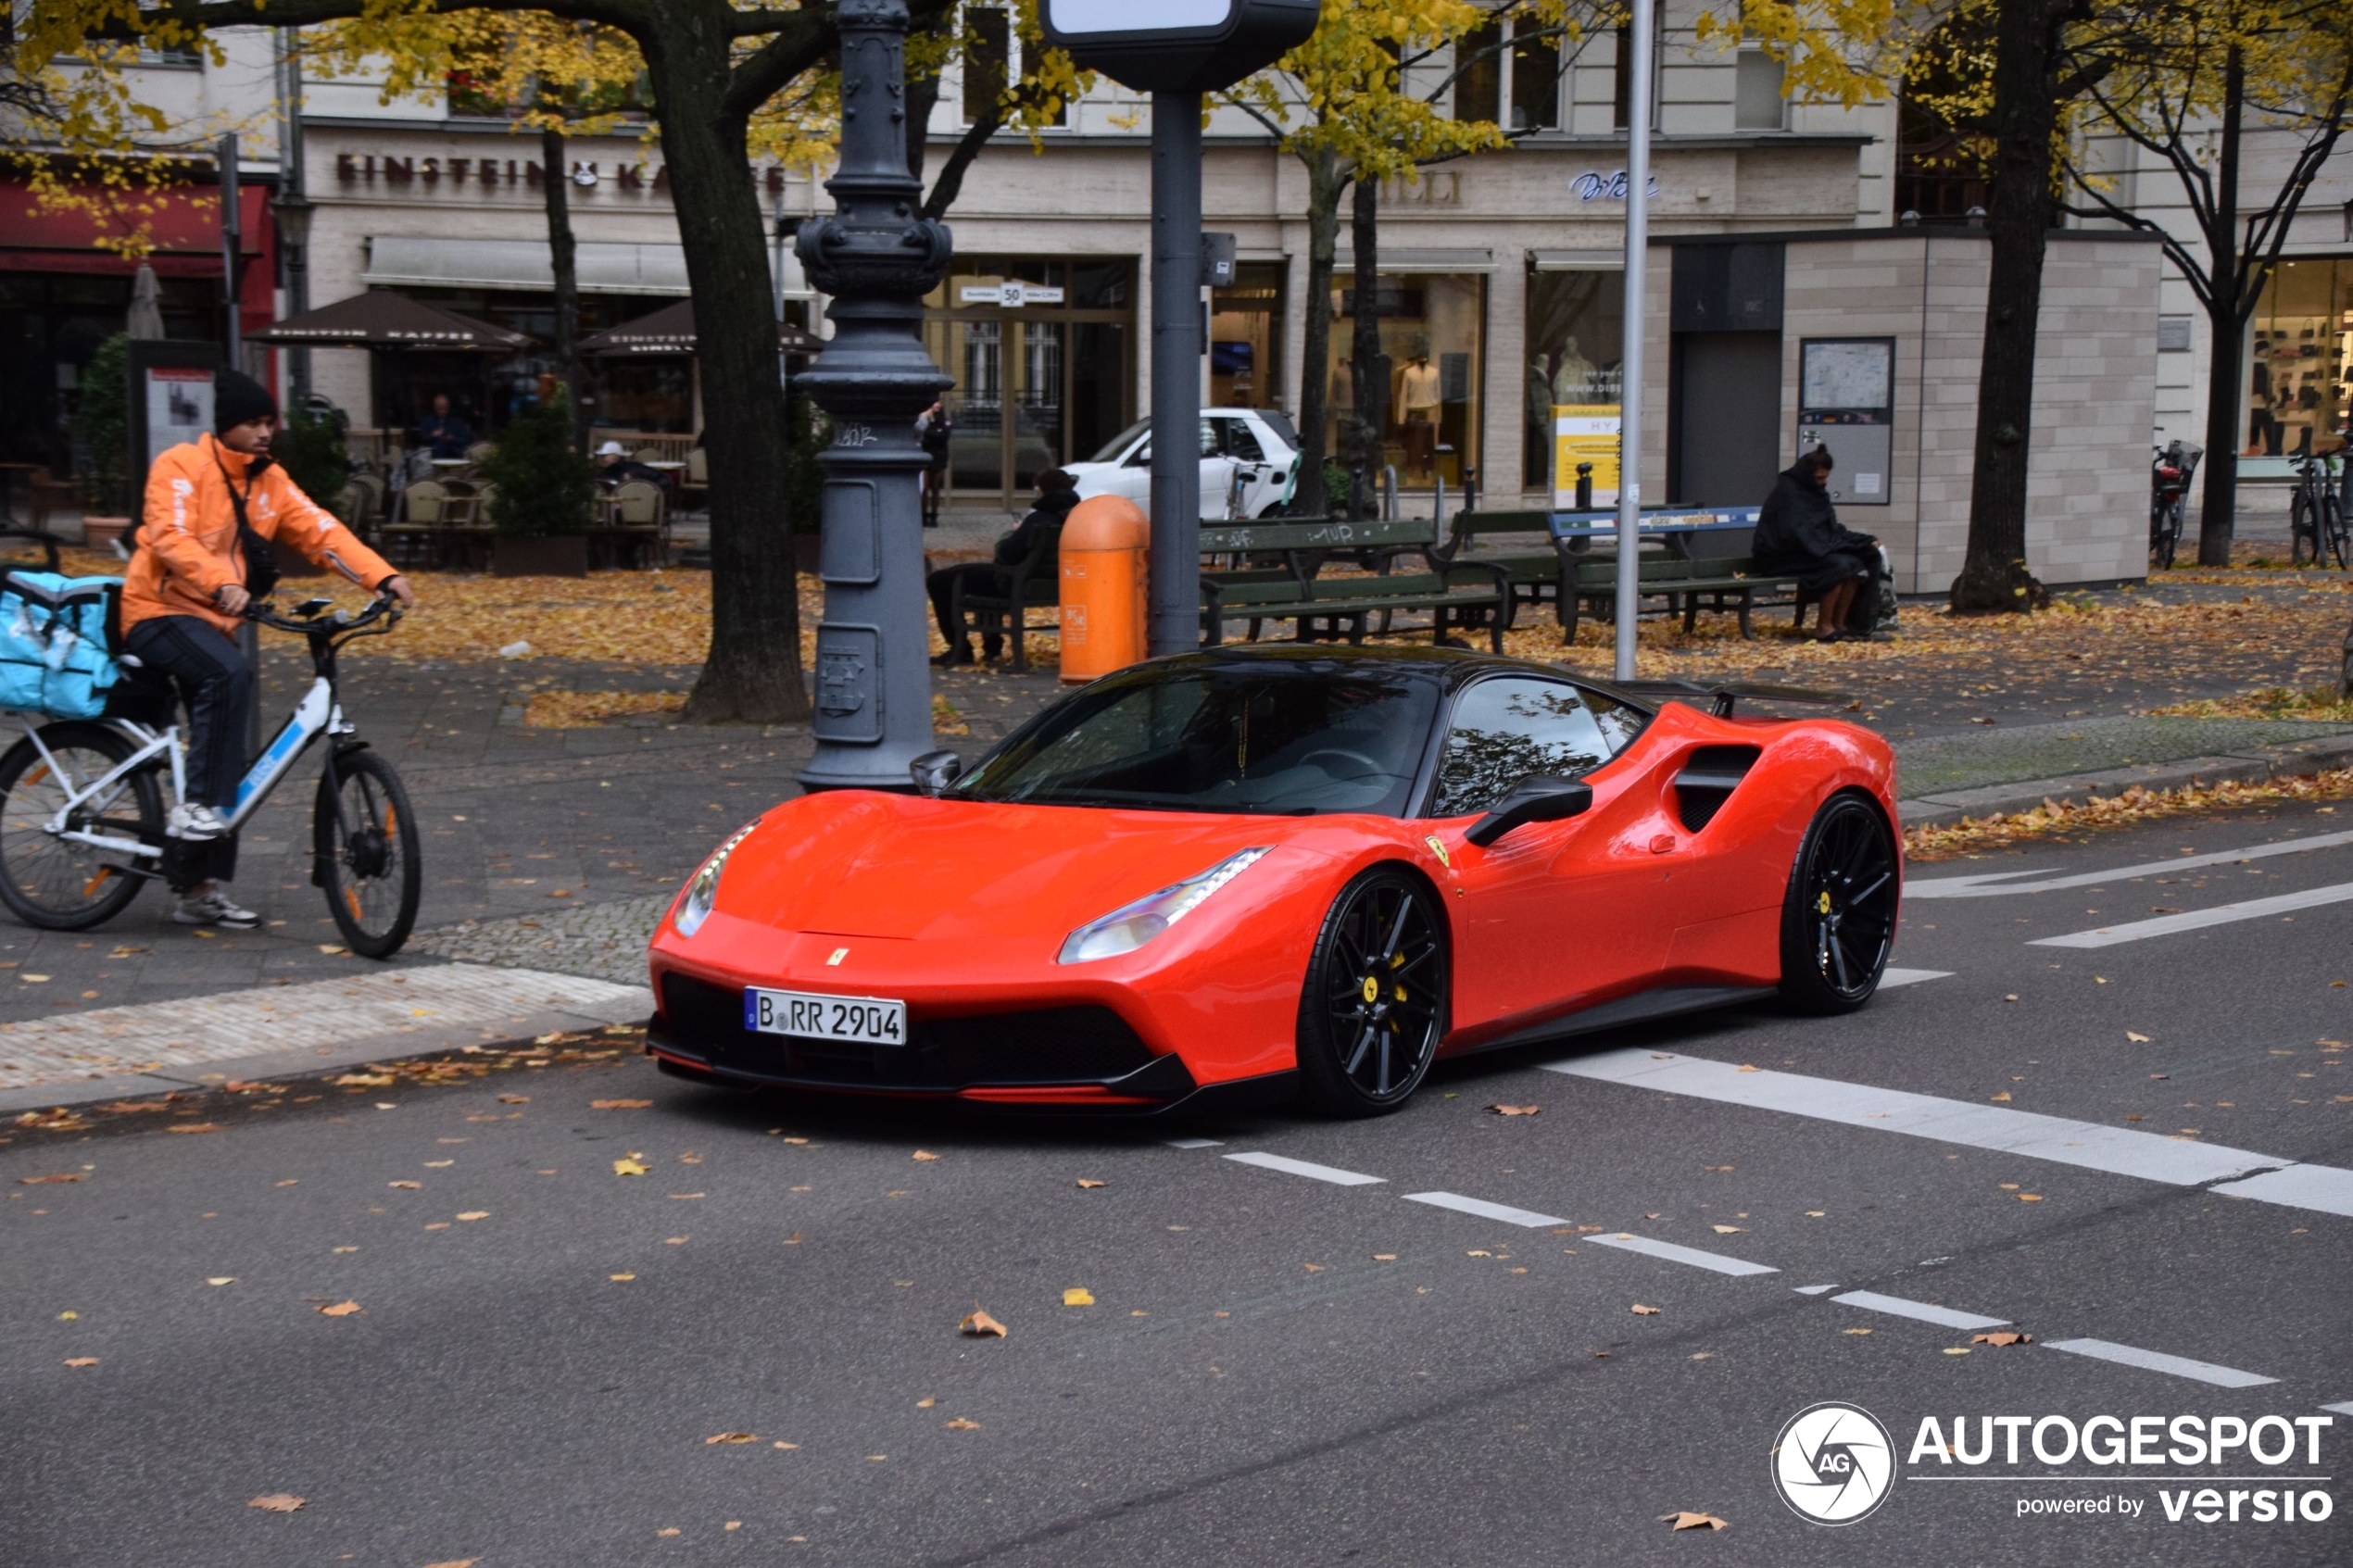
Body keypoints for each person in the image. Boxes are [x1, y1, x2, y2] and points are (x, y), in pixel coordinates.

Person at [127, 370, 418, 930]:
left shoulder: (270, 481)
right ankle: (192, 814)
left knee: (234, 753)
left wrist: (381, 577)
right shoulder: (181, 466)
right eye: (253, 423)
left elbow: (320, 532)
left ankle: (197, 889)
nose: (265, 433)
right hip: (157, 611)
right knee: (228, 677)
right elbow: (170, 536)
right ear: (226, 426)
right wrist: (220, 583)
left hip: (215, 620)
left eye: (269, 424)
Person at [926, 469, 1082, 666]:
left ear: (1043, 490)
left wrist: (1012, 532)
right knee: (983, 577)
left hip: (1015, 584)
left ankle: (961, 649)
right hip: (1051, 586)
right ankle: (992, 648)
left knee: (938, 580)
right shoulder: (1076, 517)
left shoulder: (1040, 519)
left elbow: (1007, 553)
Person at [1755, 446, 1883, 643]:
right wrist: (1834, 546)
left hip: (1805, 550)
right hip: (1780, 556)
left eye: (1826, 477)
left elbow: (1830, 529)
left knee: (1855, 565)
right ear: (1807, 476)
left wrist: (1863, 541)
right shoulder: (1788, 492)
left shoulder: (1816, 493)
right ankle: (1824, 626)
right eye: (1819, 478)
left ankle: (1841, 624)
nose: (1824, 482)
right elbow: (1797, 533)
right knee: (1838, 566)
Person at [917, 400, 953, 528]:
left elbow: (944, 436)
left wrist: (931, 434)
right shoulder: (923, 419)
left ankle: (934, 516)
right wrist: (935, 434)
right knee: (925, 488)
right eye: (934, 403)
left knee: (936, 488)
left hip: (939, 458)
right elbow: (921, 434)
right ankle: (923, 515)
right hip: (925, 457)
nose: (936, 405)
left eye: (938, 403)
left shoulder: (946, 420)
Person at [414, 394, 472, 460]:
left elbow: (465, 440)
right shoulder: (427, 422)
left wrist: (452, 438)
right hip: (433, 454)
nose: (443, 412)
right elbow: (421, 439)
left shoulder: (456, 422)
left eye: (445, 409)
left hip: (454, 453)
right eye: (440, 409)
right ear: (435, 407)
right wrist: (432, 435)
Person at [594, 440, 666, 487]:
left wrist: (648, 493)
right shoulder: (600, 473)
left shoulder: (635, 468)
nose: (601, 459)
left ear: (615, 456)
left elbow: (663, 480)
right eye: (600, 456)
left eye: (604, 455)